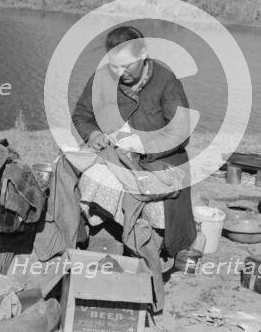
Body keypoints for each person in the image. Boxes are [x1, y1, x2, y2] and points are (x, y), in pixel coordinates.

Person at [71, 26, 196, 259]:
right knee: (80, 174)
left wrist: (143, 146)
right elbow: (81, 115)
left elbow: (181, 133)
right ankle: (90, 235)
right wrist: (93, 134)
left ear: (143, 54)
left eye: (127, 65)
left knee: (149, 191)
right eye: (114, 65)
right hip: (112, 153)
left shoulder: (166, 81)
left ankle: (145, 245)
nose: (120, 72)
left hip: (159, 159)